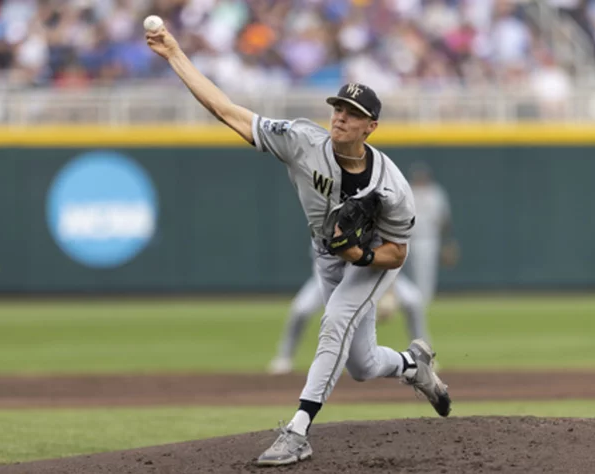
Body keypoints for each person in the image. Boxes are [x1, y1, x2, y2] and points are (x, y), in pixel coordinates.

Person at [145, 26, 451, 467]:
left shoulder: (393, 188)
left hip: (370, 261)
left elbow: (397, 254)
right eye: (339, 107)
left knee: (334, 323)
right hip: (326, 254)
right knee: (361, 366)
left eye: (353, 112)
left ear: (371, 126)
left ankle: (297, 431)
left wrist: (361, 256)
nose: (341, 116)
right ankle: (412, 366)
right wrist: (174, 53)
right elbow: (226, 110)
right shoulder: (302, 141)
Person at [268, 265, 428, 375]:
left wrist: (389, 291)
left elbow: (392, 257)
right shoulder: (322, 224)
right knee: (301, 310)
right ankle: (285, 357)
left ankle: (423, 355)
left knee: (413, 301)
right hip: (329, 279)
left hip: (373, 275)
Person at [404, 162, 460, 305]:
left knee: (426, 271)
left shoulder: (436, 192)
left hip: (429, 238)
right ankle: (411, 298)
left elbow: (444, 218)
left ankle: (423, 300)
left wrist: (447, 241)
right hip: (407, 237)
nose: (420, 178)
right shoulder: (408, 190)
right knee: (407, 271)